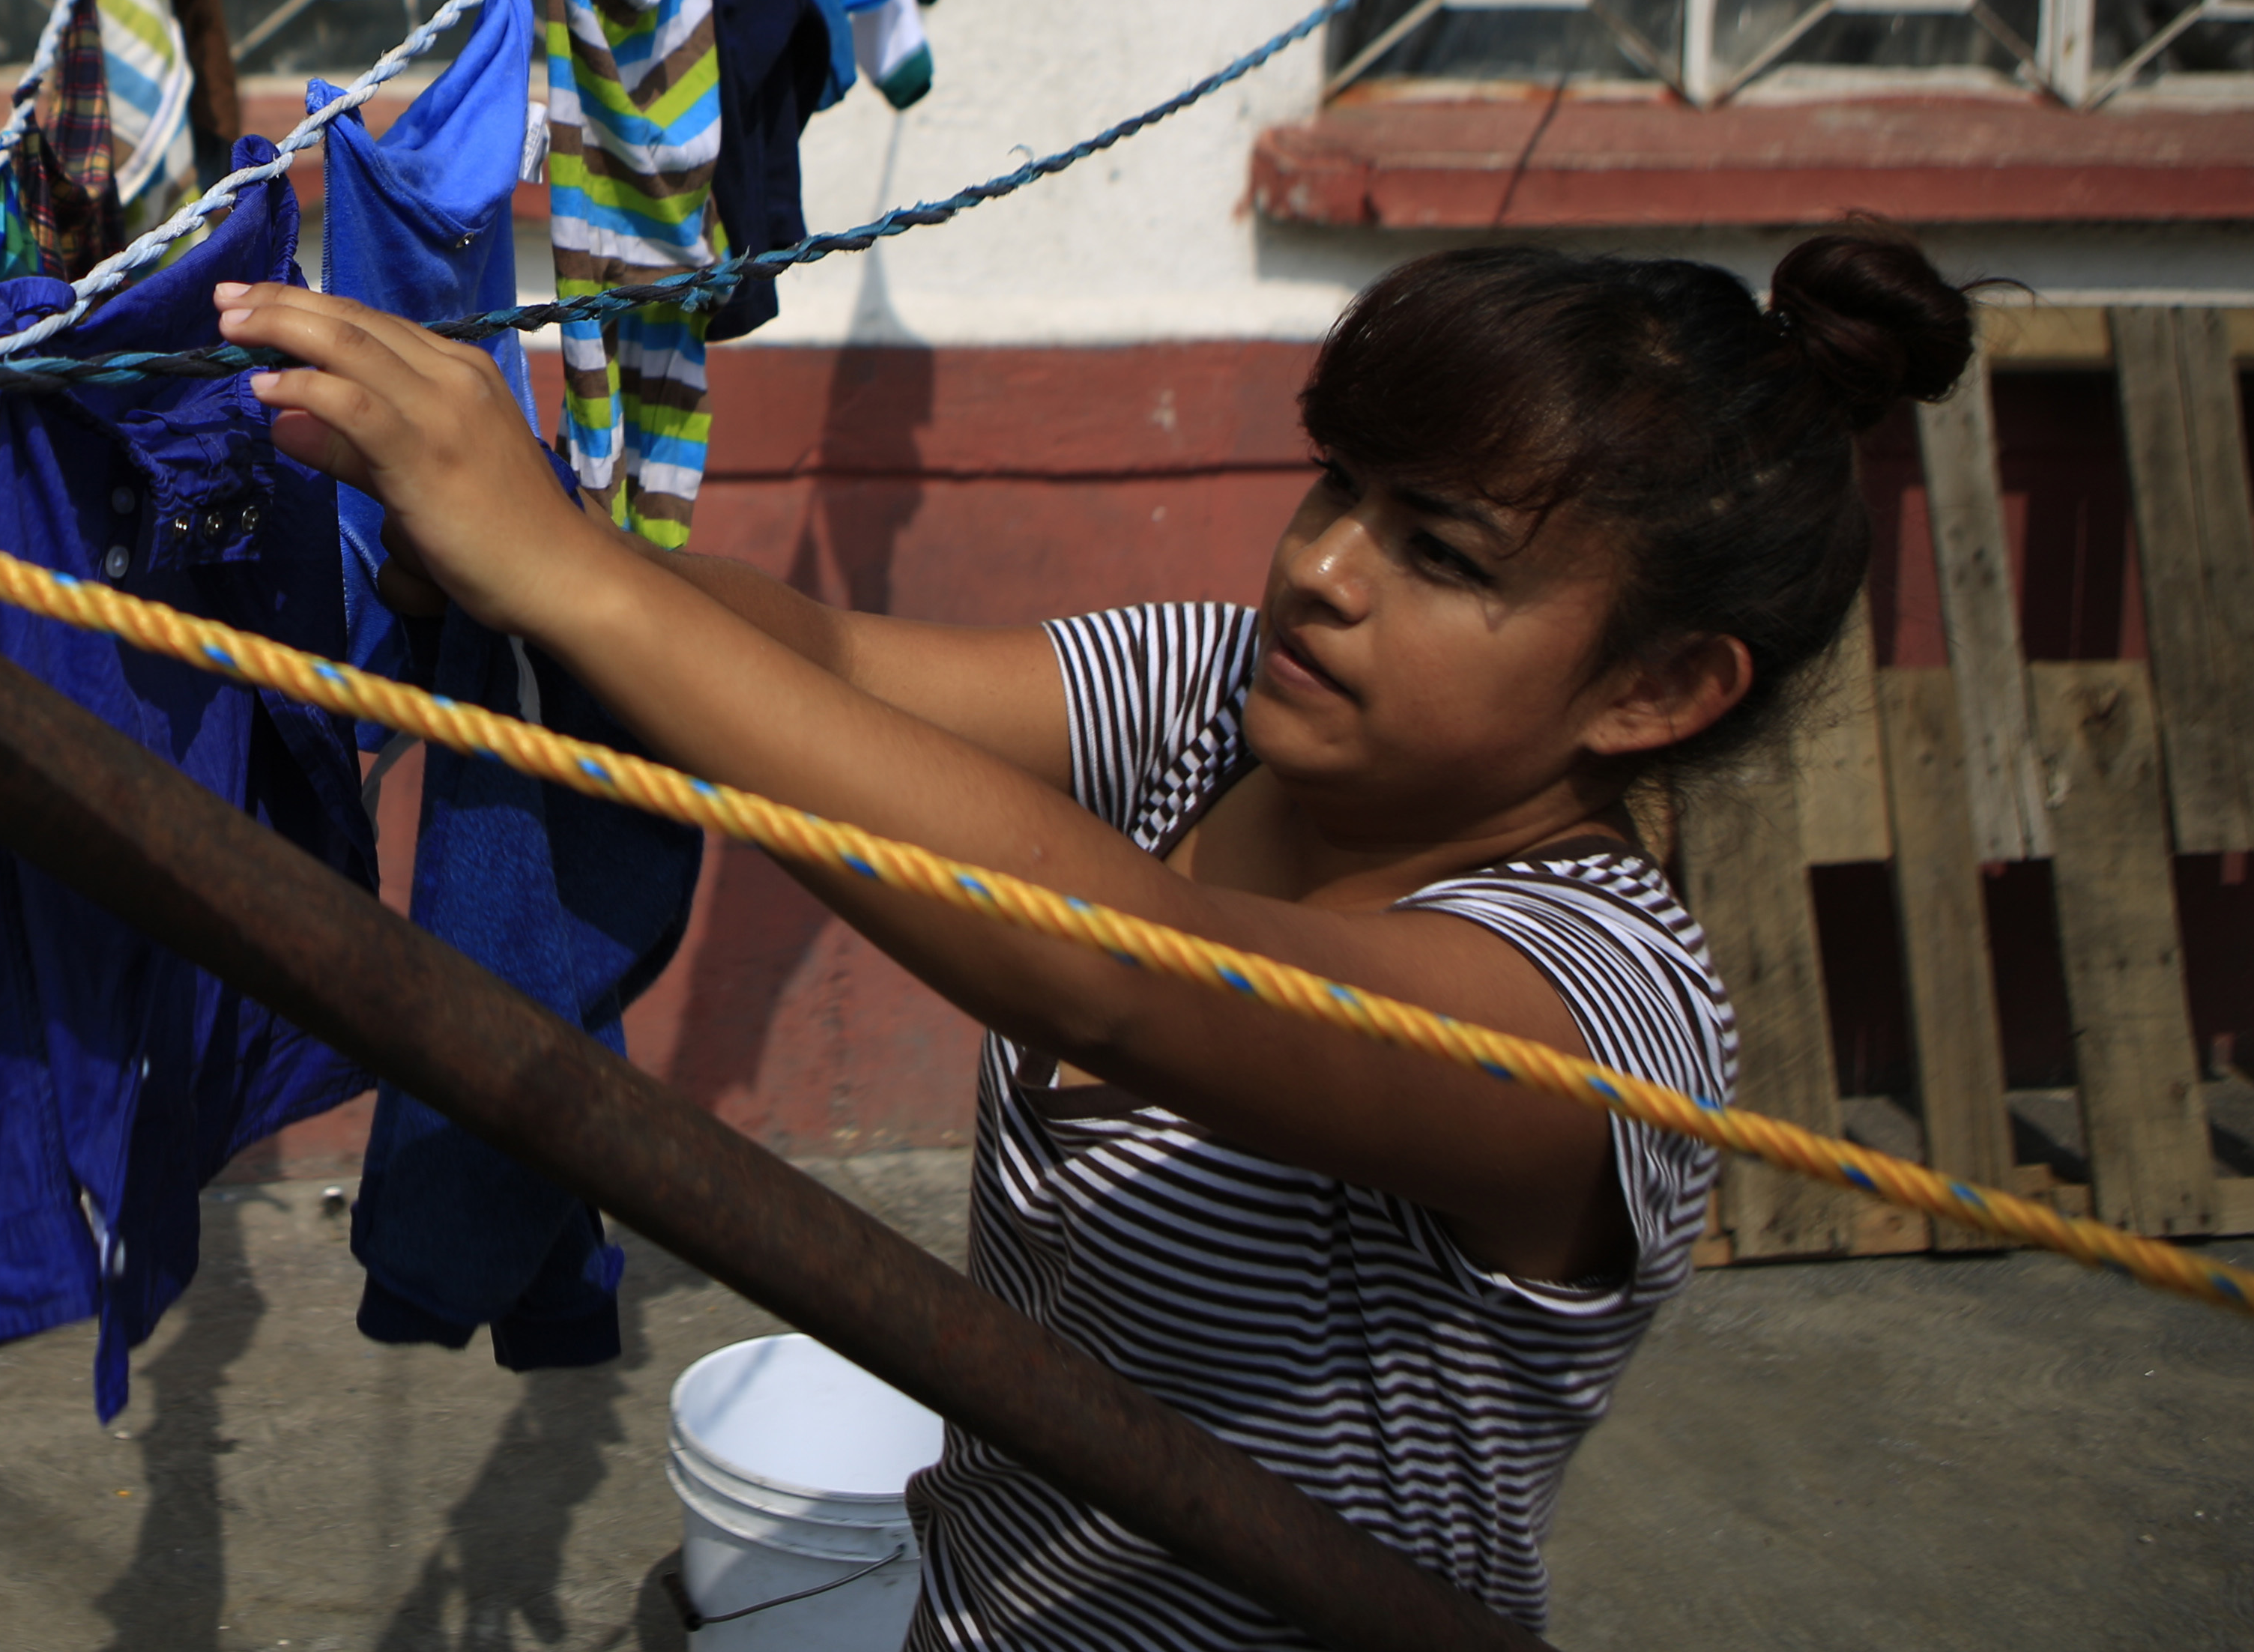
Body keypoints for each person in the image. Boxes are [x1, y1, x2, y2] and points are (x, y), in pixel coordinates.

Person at [214, 229, 1979, 1646]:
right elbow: (828, 670)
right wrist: (509, 539)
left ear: (1660, 690)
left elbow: (1124, 975)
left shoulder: (1604, 1006)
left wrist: (568, 576)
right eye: (1336, 485)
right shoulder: (1217, 699)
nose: (1326, 570)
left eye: (1437, 550)